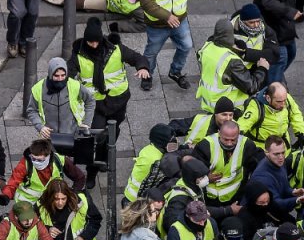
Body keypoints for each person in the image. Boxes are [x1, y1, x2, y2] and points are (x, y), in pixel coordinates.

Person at [68, 18, 150, 180]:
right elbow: (68, 72)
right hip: (95, 105)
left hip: (118, 102)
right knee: (95, 136)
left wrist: (143, 68)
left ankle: (103, 159)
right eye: (90, 42)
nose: (93, 45)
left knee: (112, 133)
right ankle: (91, 172)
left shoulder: (116, 49)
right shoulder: (78, 55)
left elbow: (137, 58)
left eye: (96, 41)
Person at [139, 0, 215, 91]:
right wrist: (167, 16)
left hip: (180, 20)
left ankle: (175, 72)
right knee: (151, 52)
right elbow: (146, 1)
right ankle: (147, 75)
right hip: (158, 25)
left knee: (186, 46)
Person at [196, 19, 269, 112]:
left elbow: (199, 55)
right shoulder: (231, 61)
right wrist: (262, 69)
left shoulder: (207, 47)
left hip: (209, 102)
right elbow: (251, 87)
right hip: (229, 109)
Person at [0, 138, 86, 206]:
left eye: (40, 160)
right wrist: (6, 196)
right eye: (33, 159)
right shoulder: (25, 163)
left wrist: (73, 194)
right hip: (28, 203)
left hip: (51, 202)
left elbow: (79, 177)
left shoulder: (60, 160)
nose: (36, 162)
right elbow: (13, 182)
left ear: (48, 156)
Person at [26, 57, 95, 144]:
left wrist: (87, 123)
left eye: (63, 75)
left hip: (73, 135)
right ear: (50, 74)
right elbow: (31, 110)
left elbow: (90, 101)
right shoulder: (38, 88)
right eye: (56, 76)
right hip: (49, 137)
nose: (60, 79)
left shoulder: (75, 85)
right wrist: (40, 127)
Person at [192, 121, 260, 206]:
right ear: (219, 133)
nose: (229, 143)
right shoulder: (205, 146)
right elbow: (194, 174)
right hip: (208, 199)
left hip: (235, 197)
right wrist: (207, 179)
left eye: (233, 140)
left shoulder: (247, 145)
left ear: (238, 135)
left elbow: (253, 169)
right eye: (226, 139)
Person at [251, 137, 304, 224]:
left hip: (276, 211)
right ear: (266, 153)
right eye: (276, 154)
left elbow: (284, 186)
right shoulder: (262, 176)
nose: (281, 157)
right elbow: (276, 204)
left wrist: (293, 192)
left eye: (283, 152)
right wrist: (297, 200)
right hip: (266, 216)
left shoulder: (278, 162)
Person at [238, 83, 304, 147]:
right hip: (262, 149)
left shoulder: (285, 98)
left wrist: (301, 133)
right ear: (268, 98)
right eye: (279, 102)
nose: (283, 104)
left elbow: (295, 114)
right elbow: (243, 125)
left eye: (284, 100)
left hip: (283, 146)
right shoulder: (256, 107)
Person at [170, 97, 236, 147]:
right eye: (224, 114)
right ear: (215, 114)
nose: (228, 118)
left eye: (231, 115)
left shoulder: (237, 129)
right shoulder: (199, 120)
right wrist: (172, 138)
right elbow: (174, 125)